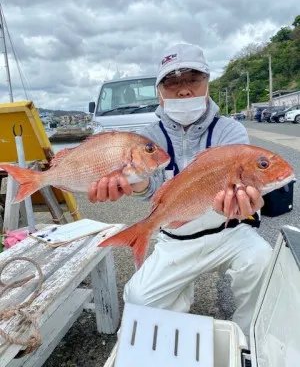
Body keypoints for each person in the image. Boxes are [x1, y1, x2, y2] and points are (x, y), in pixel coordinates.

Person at [87, 43, 272, 343]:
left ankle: (247, 341)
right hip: (176, 238)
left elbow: (248, 180)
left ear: (207, 83)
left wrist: (246, 203)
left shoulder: (230, 131)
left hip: (228, 232)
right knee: (139, 298)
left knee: (263, 262)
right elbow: (151, 189)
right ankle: (177, 300)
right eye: (172, 82)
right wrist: (138, 185)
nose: (183, 90)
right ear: (159, 91)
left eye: (193, 79)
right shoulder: (149, 137)